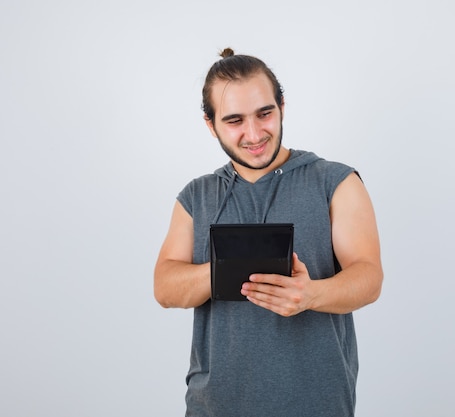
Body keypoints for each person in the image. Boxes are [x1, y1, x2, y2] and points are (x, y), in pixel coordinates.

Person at [154, 47, 383, 417]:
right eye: (234, 120)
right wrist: (229, 270)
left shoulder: (335, 181)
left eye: (265, 113)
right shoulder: (195, 197)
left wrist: (311, 294)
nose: (254, 133)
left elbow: (369, 277)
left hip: (318, 405)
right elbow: (165, 288)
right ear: (210, 124)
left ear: (282, 107)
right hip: (214, 406)